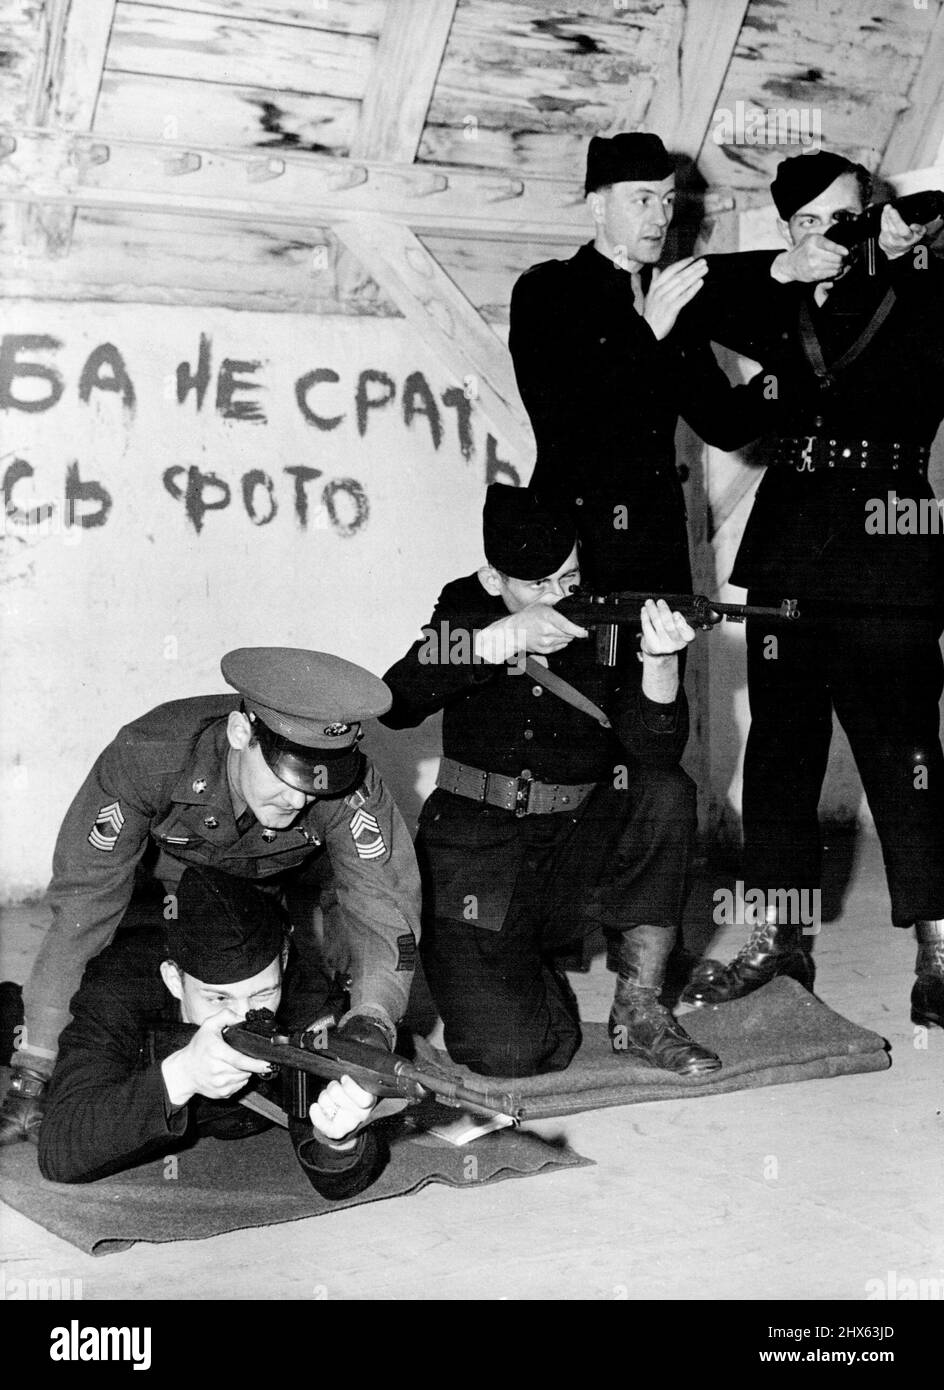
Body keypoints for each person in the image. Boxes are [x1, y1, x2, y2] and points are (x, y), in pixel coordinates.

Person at [677, 150, 944, 1023]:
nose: (840, 234)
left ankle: (940, 943)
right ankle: (780, 937)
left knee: (904, 756)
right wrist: (784, 267)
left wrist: (912, 225)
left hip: (888, 553)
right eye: (815, 220)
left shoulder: (922, 287)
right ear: (791, 229)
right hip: (790, 554)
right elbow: (692, 286)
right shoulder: (775, 298)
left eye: (852, 215)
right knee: (781, 756)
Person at [1, 648, 421, 1145]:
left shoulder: (348, 788)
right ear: (242, 733)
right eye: (289, 777)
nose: (302, 799)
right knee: (116, 1017)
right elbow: (85, 905)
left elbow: (383, 909)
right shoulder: (149, 754)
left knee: (302, 1026)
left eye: (319, 784)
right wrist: (36, 1065)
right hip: (155, 905)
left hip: (255, 919)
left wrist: (371, 1019)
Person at [381, 484, 720, 1079]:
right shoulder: (464, 603)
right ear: (494, 579)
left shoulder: (607, 608)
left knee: (666, 791)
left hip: (579, 843)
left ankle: (638, 1010)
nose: (560, 596)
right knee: (508, 1054)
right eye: (537, 585)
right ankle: (526, 974)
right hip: (478, 856)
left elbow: (657, 751)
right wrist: (502, 637)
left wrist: (661, 662)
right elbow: (397, 698)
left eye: (568, 577)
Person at [509, 131, 791, 591]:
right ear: (598, 207)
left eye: (667, 199)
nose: (661, 217)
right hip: (571, 547)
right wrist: (647, 331)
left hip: (656, 546)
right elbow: (567, 418)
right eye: (642, 200)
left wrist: (794, 370)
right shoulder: (549, 290)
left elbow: (725, 425)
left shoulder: (667, 299)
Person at [38, 864, 386, 1195]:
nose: (243, 1015)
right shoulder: (122, 988)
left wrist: (339, 1142)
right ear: (175, 980)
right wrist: (181, 1075)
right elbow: (58, 1151)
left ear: (282, 965)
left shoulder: (306, 1003)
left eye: (263, 993)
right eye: (218, 998)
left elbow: (337, 1180)